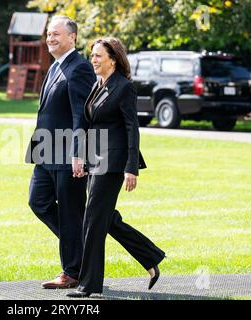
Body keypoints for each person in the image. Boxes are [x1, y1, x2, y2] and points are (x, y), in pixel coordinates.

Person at [67, 37, 166, 298]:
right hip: (95, 161)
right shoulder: (98, 84)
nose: (94, 60)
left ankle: (88, 286)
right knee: (106, 218)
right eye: (92, 55)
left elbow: (133, 129)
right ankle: (151, 257)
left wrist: (131, 168)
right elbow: (92, 125)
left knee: (92, 220)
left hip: (113, 164)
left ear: (113, 58)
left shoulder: (123, 87)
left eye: (98, 55)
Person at [25, 16, 96, 289]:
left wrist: (79, 153)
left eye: (56, 34)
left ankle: (72, 271)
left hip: (69, 155)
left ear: (72, 38)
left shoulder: (79, 68)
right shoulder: (56, 66)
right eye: (48, 34)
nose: (50, 38)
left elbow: (82, 115)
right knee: (38, 202)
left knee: (69, 213)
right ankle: (78, 244)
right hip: (46, 152)